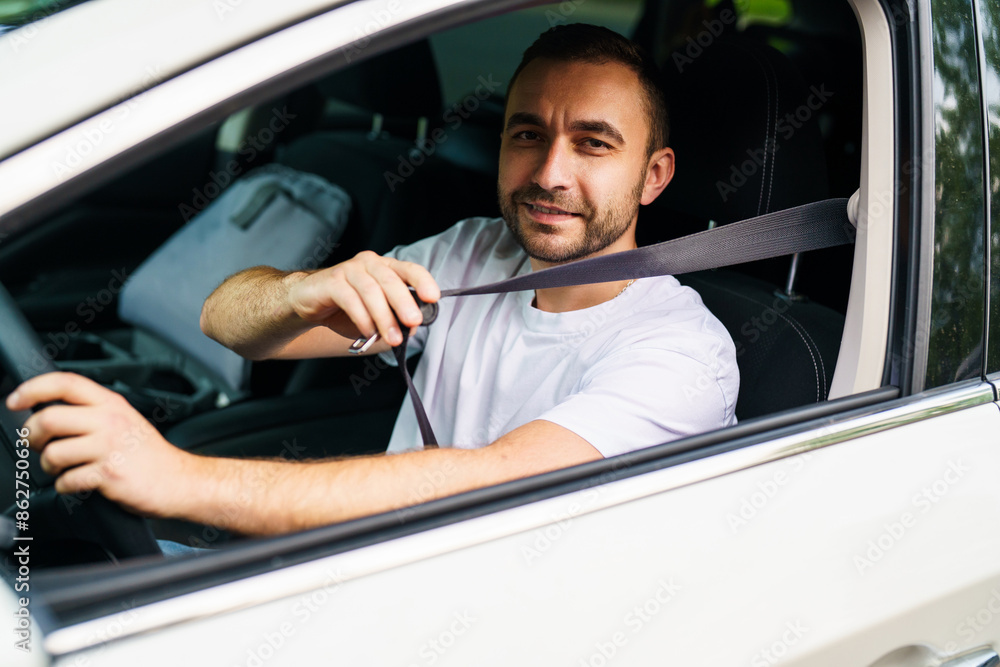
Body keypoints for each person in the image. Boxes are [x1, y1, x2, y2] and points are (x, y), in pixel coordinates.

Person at [6, 24, 738, 537]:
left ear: (654, 176)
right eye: (527, 134)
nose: (550, 172)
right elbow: (223, 322)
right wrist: (299, 292)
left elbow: (492, 481)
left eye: (593, 144)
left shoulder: (681, 354)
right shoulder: (473, 253)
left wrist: (177, 478)